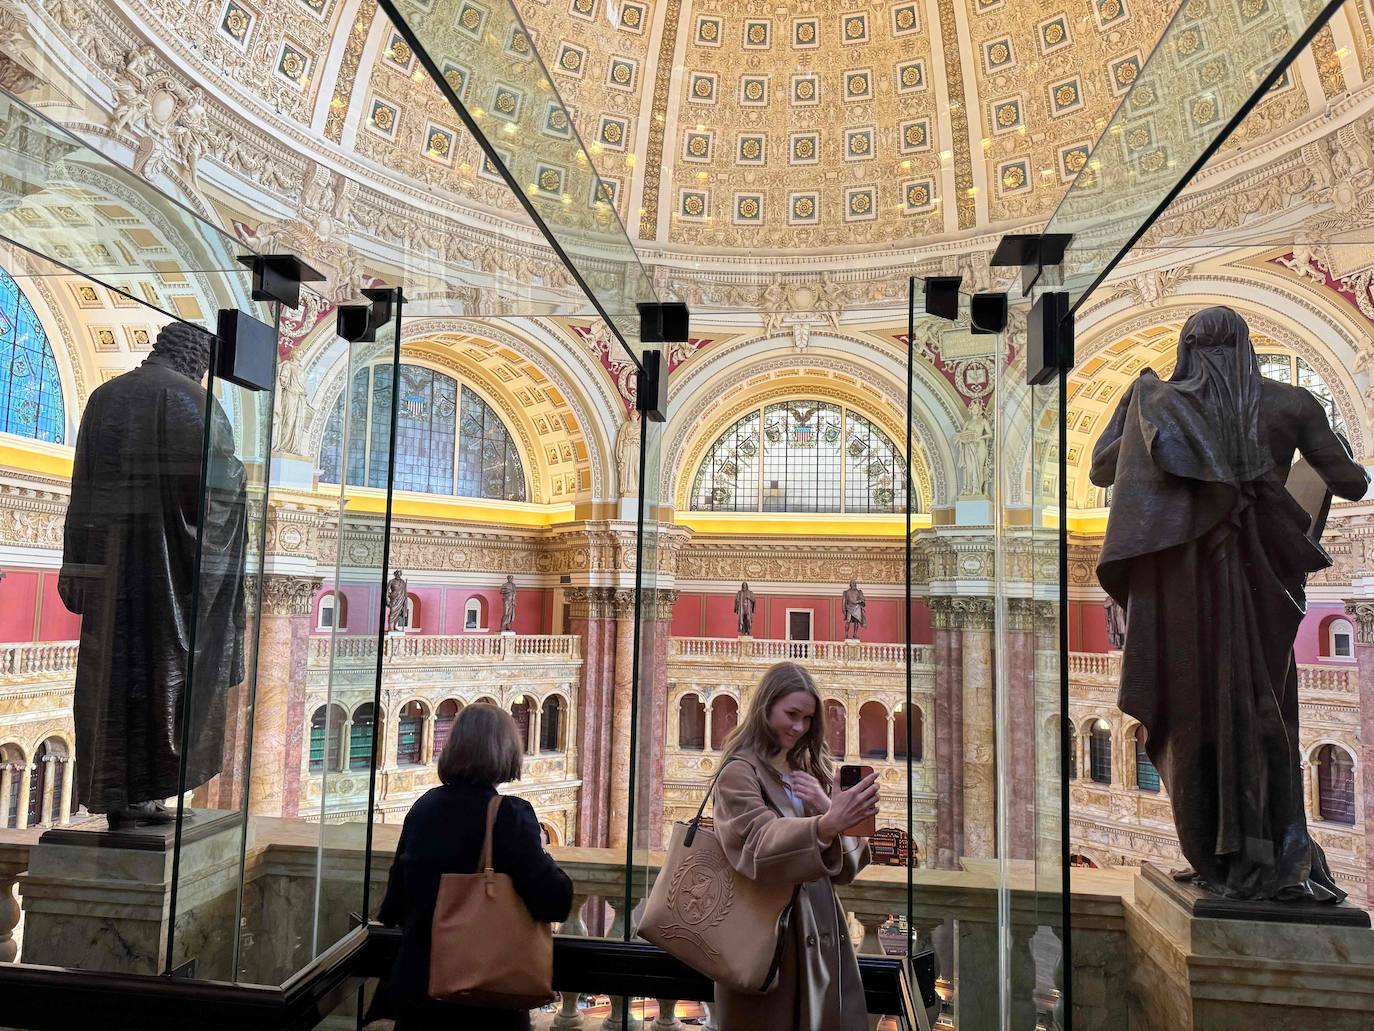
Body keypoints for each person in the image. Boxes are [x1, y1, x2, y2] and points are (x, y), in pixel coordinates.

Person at [1091, 306, 1369, 902]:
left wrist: (1134, 405)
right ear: (1247, 345)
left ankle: (1221, 855)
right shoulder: (1291, 404)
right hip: (1260, 583)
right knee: (1264, 709)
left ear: (1186, 349)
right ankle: (1273, 851)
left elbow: (1100, 469)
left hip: (1185, 594)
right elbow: (1350, 484)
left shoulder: (1157, 401)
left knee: (1190, 718)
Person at [378, 703, 573, 1030]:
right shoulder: (509, 815)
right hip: (487, 1000)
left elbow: (395, 903)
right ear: (506, 752)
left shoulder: (423, 808)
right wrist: (540, 849)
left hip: (422, 998)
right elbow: (555, 900)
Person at [711, 661, 878, 1030]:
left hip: (822, 936)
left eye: (807, 718)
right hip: (767, 944)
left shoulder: (811, 766)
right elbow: (757, 845)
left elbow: (848, 869)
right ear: (766, 705)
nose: (799, 727)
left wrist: (826, 807)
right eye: (791, 714)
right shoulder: (739, 772)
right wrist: (827, 822)